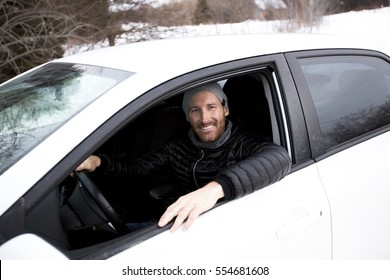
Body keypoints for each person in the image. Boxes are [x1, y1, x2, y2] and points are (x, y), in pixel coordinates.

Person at [75, 82, 291, 232]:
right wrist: (98, 162)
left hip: (219, 223)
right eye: (195, 110)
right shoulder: (180, 142)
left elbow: (278, 157)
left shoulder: (242, 141)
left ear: (225, 110)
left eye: (211, 107)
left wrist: (214, 190)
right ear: (187, 116)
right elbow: (140, 168)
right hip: (175, 220)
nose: (205, 118)